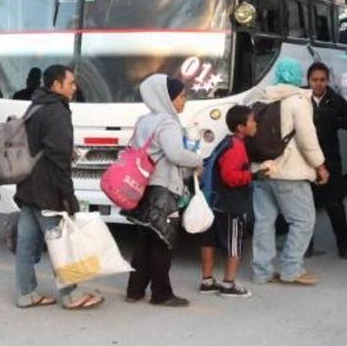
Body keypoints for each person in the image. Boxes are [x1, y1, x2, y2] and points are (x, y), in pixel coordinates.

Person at [11, 64, 103, 310]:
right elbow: (59, 159)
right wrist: (68, 197)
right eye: (71, 83)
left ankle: (26, 294)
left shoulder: (36, 105)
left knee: (25, 245)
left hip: (28, 186)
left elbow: (40, 144)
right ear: (56, 85)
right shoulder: (57, 111)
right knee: (60, 244)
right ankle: (70, 295)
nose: (75, 87)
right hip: (47, 190)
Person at [249, 58, 329, 286]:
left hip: (261, 170)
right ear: (297, 77)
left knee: (264, 222)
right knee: (303, 220)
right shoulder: (298, 101)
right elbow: (307, 139)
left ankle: (261, 272)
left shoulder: (260, 97)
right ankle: (291, 269)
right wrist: (320, 166)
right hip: (289, 172)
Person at [125, 74, 203, 307]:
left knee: (145, 241)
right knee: (162, 241)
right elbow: (175, 154)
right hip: (162, 188)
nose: (184, 101)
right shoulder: (167, 122)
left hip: (143, 186)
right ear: (167, 98)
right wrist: (197, 159)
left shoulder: (144, 120)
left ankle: (135, 290)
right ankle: (161, 293)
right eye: (181, 96)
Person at [199, 104, 257, 298]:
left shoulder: (225, 142)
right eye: (252, 120)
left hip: (213, 200)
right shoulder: (237, 147)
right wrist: (252, 175)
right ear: (241, 127)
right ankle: (228, 284)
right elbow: (230, 177)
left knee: (209, 240)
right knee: (234, 242)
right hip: (229, 203)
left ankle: (207, 281)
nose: (255, 123)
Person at [307, 62, 347, 259]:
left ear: (327, 81)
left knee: (334, 204)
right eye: (314, 80)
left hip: (330, 160)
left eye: (322, 80)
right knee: (307, 205)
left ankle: (343, 245)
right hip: (307, 161)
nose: (318, 84)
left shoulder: (335, 100)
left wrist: (335, 121)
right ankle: (306, 245)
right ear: (308, 81)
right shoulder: (302, 99)